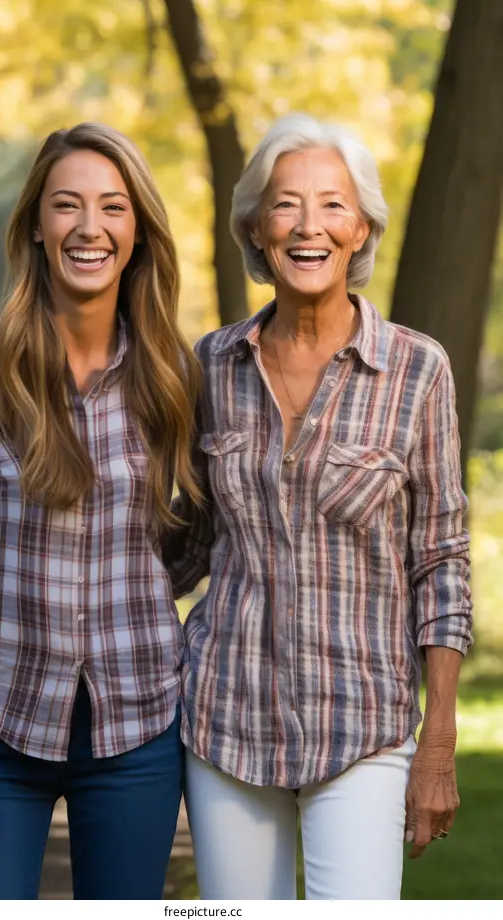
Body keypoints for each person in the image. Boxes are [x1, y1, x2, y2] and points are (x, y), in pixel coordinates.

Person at [163, 113, 473, 900]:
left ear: (362, 225)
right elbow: (189, 543)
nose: (309, 226)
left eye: (332, 205)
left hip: (362, 724)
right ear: (257, 228)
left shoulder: (417, 370)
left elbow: (440, 563)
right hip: (224, 718)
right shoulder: (212, 366)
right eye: (286, 204)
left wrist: (437, 742)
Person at [0, 122, 202, 900]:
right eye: (67, 205)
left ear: (137, 232)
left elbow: (198, 531)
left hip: (138, 728)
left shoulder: (175, 374)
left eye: (112, 207)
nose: (89, 227)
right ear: (37, 226)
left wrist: (136, 591)